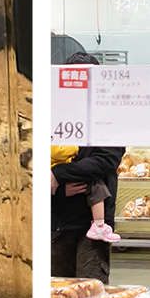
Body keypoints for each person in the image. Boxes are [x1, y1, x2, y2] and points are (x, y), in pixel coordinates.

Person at [50, 51, 125, 281]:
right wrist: (59, 187)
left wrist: (57, 174)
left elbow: (105, 161)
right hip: (57, 220)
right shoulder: (53, 114)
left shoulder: (110, 117)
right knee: (56, 294)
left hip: (94, 224)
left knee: (90, 291)